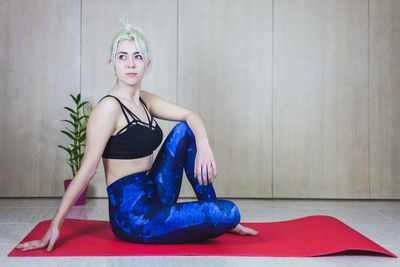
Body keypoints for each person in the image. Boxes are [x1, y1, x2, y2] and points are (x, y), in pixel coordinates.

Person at [16, 19, 258, 252]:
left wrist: (204, 145)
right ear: (111, 64)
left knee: (186, 130)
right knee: (229, 211)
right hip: (133, 215)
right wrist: (55, 225)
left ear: (147, 64)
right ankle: (220, 216)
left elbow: (191, 115)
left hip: (156, 193)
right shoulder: (108, 109)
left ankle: (217, 213)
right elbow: (87, 171)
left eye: (137, 56)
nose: (130, 64)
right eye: (122, 57)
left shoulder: (144, 100)